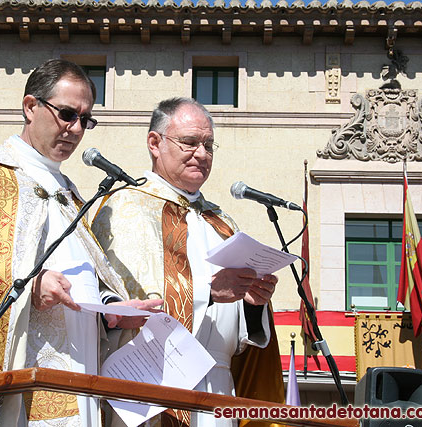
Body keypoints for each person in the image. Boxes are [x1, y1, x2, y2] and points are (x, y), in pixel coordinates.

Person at [0, 59, 159, 426]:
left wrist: (111, 309)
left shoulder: (71, 195)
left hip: (82, 378)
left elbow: (84, 275)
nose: (75, 129)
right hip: (28, 381)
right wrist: (29, 283)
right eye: (66, 114)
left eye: (84, 120)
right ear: (30, 107)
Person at [92, 97, 285, 426]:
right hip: (150, 386)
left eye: (209, 145)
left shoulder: (222, 223)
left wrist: (252, 305)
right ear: (155, 143)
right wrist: (208, 294)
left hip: (219, 391)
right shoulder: (124, 208)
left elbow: (241, 342)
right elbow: (109, 306)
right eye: (190, 142)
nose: (202, 154)